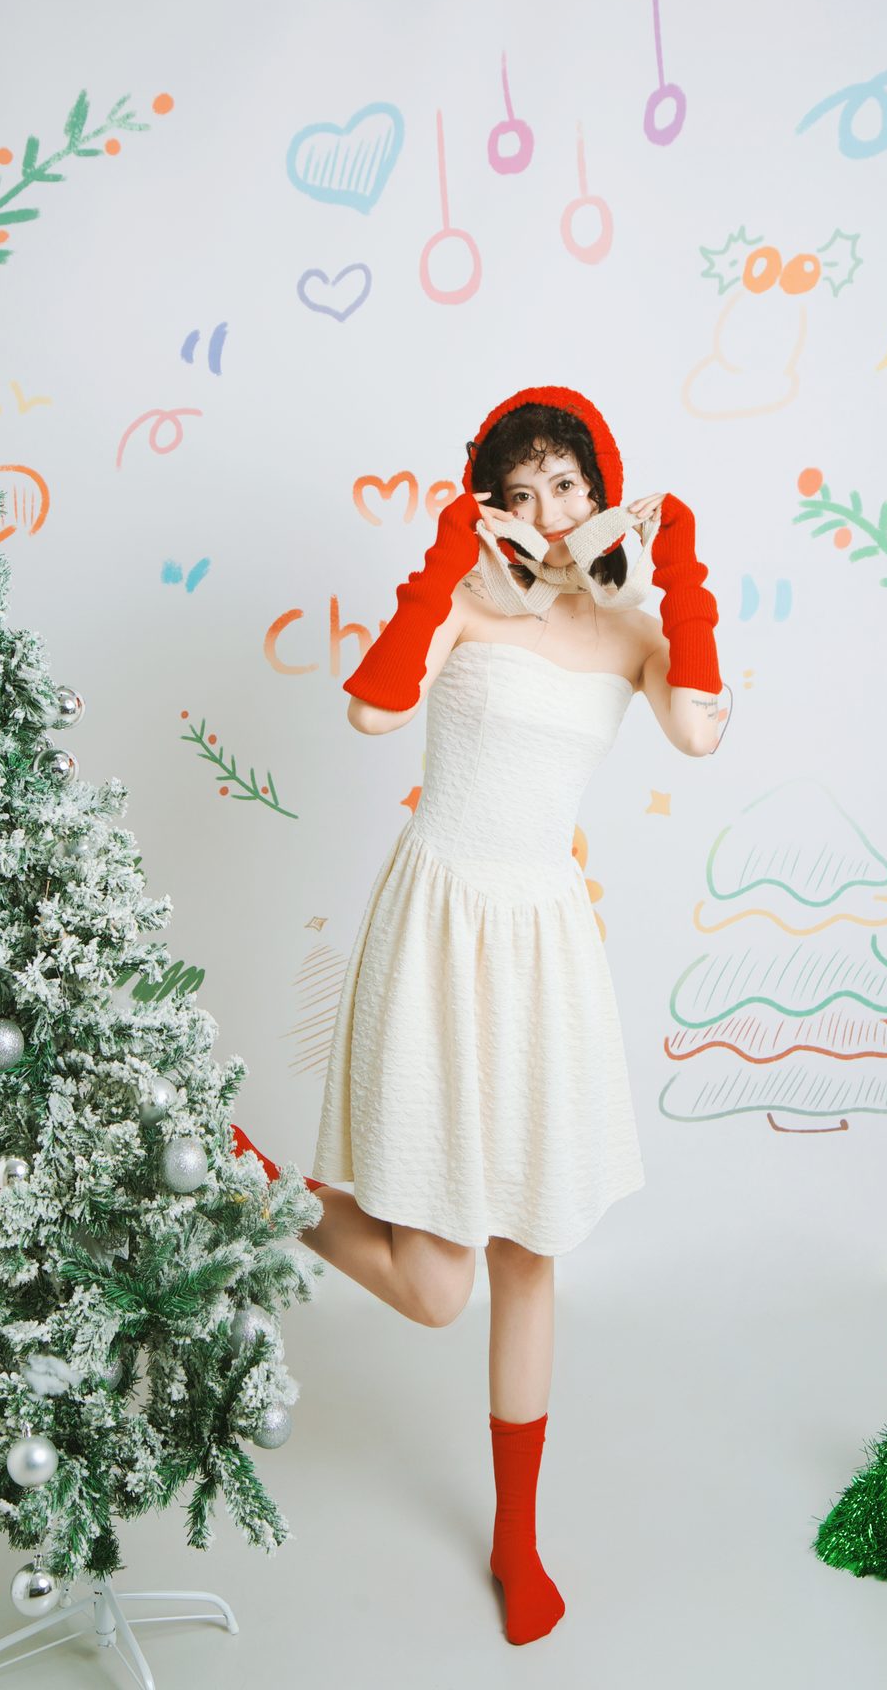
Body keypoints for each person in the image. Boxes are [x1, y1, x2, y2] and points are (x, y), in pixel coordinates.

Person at [230, 385, 725, 1644]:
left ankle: (517, 1537)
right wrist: (447, 564)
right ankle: (262, 1191)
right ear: (490, 507)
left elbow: (700, 731)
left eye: (565, 485)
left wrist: (679, 581)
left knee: (529, 1253)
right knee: (436, 1288)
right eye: (517, 492)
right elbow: (372, 707)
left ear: (601, 491)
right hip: (440, 922)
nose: (545, 512)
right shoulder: (464, 598)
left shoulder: (634, 631)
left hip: (546, 943)